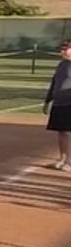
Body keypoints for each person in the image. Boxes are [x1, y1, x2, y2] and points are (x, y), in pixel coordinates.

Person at [44, 40, 71, 171]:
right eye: (62, 49)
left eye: (65, 49)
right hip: (59, 102)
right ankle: (63, 159)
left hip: (69, 103)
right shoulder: (61, 64)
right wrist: (48, 100)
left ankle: (69, 162)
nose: (62, 51)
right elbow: (54, 83)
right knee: (62, 132)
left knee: (67, 132)